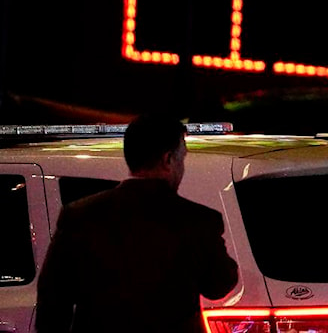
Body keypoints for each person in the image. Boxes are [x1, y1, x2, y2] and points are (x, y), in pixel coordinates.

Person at [35, 112, 239, 333]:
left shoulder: (78, 216)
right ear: (168, 159)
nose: (182, 166)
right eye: (182, 157)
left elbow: (53, 300)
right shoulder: (198, 221)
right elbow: (218, 286)